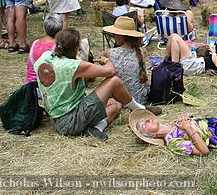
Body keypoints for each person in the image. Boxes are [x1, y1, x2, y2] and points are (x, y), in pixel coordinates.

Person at [34, 28, 162, 141]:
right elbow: (110, 71)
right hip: (70, 120)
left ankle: (96, 129)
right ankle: (140, 109)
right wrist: (106, 60)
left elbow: (83, 72)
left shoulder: (45, 58)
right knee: (114, 81)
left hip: (57, 118)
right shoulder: (74, 66)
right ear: (76, 48)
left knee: (116, 104)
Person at [100, 17, 149, 105]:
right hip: (140, 100)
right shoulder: (142, 51)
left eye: (114, 34)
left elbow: (100, 62)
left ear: (120, 36)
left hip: (120, 101)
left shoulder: (110, 53)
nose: (113, 36)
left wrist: (105, 60)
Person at [24, 14, 63, 84]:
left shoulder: (35, 43)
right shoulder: (57, 46)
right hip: (45, 86)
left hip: (29, 84)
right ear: (61, 28)